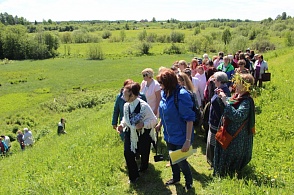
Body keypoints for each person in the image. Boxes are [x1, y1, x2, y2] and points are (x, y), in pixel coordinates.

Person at [155, 69, 195, 190]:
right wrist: (160, 124)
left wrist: (187, 140)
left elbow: (189, 119)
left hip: (181, 136)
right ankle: (176, 177)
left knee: (181, 160)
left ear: (168, 82)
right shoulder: (164, 92)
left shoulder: (182, 95)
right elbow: (164, 110)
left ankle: (189, 182)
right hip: (168, 134)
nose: (160, 86)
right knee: (172, 157)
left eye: (161, 83)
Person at [214, 73, 255, 176]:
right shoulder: (236, 96)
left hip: (236, 139)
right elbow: (227, 106)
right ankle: (220, 174)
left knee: (230, 161)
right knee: (223, 155)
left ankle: (227, 177)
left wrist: (224, 100)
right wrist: (221, 97)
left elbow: (238, 116)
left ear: (245, 86)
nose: (235, 84)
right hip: (228, 134)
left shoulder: (246, 102)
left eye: (238, 82)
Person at [116, 82, 157, 184]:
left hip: (143, 134)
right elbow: (126, 119)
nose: (122, 96)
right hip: (130, 134)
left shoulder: (144, 106)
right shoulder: (126, 106)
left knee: (144, 152)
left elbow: (154, 120)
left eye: (125, 94)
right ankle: (133, 176)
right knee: (128, 153)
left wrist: (143, 124)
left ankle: (144, 167)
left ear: (132, 95)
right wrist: (122, 125)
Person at [206, 72, 231, 169]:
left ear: (219, 81)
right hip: (213, 121)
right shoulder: (220, 90)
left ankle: (215, 164)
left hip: (217, 123)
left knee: (214, 144)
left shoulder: (224, 92)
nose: (213, 81)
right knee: (211, 143)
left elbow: (223, 109)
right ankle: (213, 163)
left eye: (215, 79)